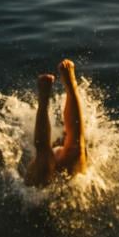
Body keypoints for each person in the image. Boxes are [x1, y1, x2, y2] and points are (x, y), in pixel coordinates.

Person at [25, 58, 88, 187]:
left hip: (43, 181)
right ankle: (70, 87)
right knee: (75, 148)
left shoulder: (55, 152)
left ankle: (45, 101)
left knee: (45, 160)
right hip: (61, 176)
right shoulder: (65, 152)